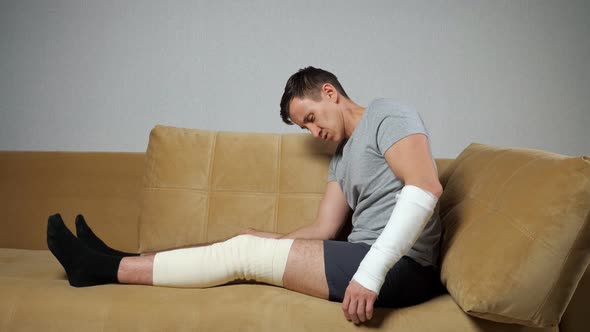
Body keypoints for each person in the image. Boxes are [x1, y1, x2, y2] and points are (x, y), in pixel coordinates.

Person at [46, 66, 446, 325]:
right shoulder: (342, 156)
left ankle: (96, 270)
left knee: (244, 256)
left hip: (403, 267)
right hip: (362, 253)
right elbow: (325, 228)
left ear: (329, 92)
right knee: (244, 243)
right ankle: (116, 260)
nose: (313, 132)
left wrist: (372, 273)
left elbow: (425, 188)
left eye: (310, 118)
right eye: (303, 128)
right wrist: (265, 238)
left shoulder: (388, 115)